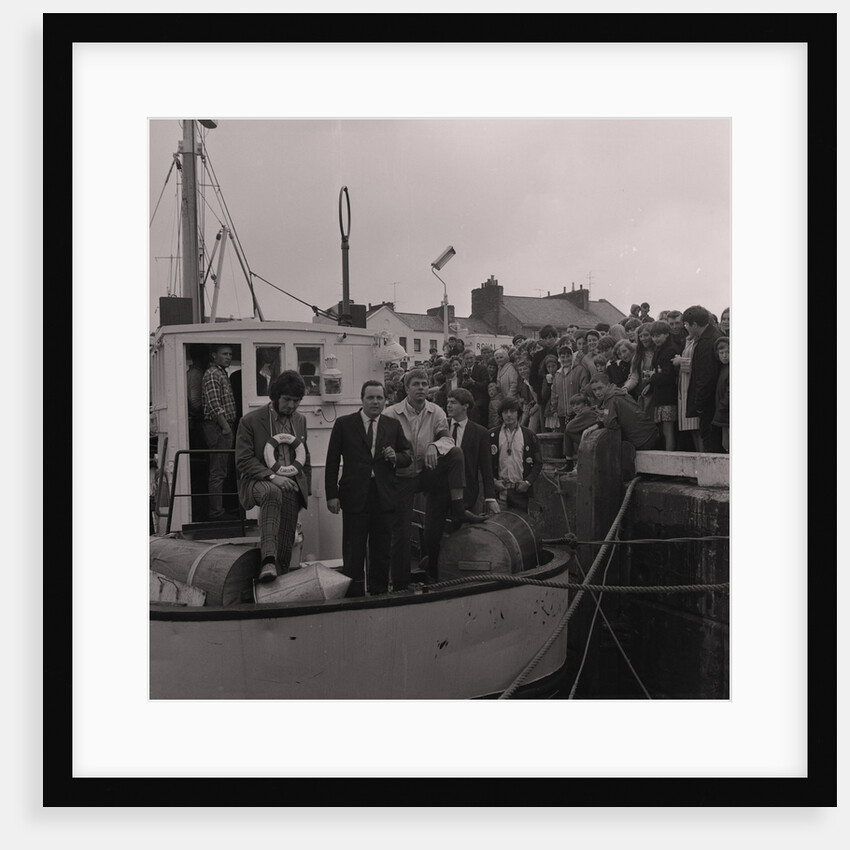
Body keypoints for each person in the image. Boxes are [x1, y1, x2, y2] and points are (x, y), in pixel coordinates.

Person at [384, 369, 473, 588]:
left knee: (455, 454)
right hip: (401, 477)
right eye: (416, 384)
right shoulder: (390, 414)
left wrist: (435, 445)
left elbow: (447, 439)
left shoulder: (436, 412)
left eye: (424, 383)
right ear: (406, 388)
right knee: (402, 533)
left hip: (426, 472)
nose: (422, 387)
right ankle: (401, 583)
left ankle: (457, 508)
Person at [325, 381, 412, 596]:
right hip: (355, 495)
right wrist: (331, 495)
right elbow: (332, 461)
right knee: (353, 550)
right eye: (371, 398)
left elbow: (407, 457)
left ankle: (379, 593)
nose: (375, 402)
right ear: (362, 399)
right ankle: (353, 596)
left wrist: (396, 457)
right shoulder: (344, 424)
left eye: (379, 398)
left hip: (384, 495)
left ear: (385, 401)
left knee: (381, 550)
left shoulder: (392, 425)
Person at [235, 371, 312, 582]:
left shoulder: (300, 420)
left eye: (296, 401)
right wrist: (272, 477)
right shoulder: (250, 421)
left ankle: (279, 574)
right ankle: (268, 560)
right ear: (275, 396)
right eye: (287, 400)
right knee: (272, 491)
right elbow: (243, 460)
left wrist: (307, 488)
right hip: (258, 481)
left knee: (287, 536)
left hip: (291, 482)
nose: (291, 406)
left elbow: (305, 455)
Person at [201, 344, 239, 520]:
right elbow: (214, 405)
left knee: (223, 469)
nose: (228, 357)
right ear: (214, 355)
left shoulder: (222, 373)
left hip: (223, 427)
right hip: (219, 428)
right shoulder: (213, 374)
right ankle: (216, 512)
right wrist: (226, 428)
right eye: (224, 354)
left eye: (230, 354)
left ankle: (223, 508)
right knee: (218, 471)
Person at [489, 398, 543, 512]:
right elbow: (485, 463)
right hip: (500, 493)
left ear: (518, 413)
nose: (508, 415)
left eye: (512, 411)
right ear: (501, 414)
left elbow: (538, 463)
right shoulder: (492, 435)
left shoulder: (530, 435)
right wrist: (493, 481)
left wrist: (528, 482)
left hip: (521, 492)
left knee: (519, 526)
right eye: (505, 412)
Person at [682, 305, 723, 453]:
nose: (686, 328)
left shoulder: (705, 342)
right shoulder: (715, 334)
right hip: (716, 401)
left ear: (694, 324)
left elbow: (705, 377)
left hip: (709, 404)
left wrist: (698, 403)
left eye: (686, 324)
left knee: (711, 443)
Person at [587, 373, 661, 451]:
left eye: (600, 388)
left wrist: (599, 425)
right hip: (651, 433)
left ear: (608, 385)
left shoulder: (611, 399)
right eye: (594, 390)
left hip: (643, 440)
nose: (597, 393)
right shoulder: (618, 391)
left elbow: (610, 423)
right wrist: (598, 425)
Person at [646, 320, 679, 451]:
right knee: (663, 429)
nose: (655, 339)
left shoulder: (670, 349)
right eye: (653, 336)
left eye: (658, 335)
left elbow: (667, 376)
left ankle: (670, 458)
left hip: (668, 395)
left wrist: (652, 376)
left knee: (668, 429)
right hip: (660, 395)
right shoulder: (660, 349)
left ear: (666, 334)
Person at [560, 393, 600, 471]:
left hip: (593, 442)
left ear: (585, 404)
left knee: (568, 432)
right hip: (594, 440)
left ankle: (569, 462)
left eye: (578, 404)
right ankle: (570, 462)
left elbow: (569, 427)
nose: (575, 407)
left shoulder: (586, 413)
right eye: (573, 405)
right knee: (570, 433)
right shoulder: (590, 411)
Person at [712, 336, 730, 453]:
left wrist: (722, 407)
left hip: (726, 412)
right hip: (723, 414)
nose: (724, 355)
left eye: (727, 352)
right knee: (726, 444)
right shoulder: (723, 369)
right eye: (721, 352)